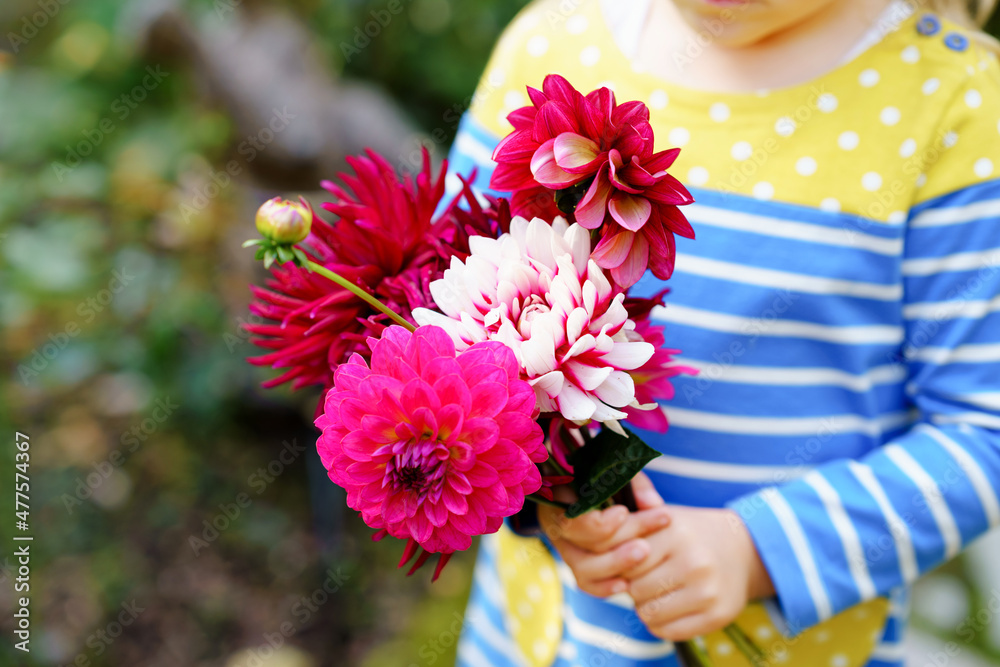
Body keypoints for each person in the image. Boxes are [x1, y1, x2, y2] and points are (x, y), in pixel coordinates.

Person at [443, 0, 1000, 665]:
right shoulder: (551, 45)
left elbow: (982, 430)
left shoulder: (955, 106)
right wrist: (543, 503)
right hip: (538, 635)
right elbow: (441, 318)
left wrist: (755, 548)